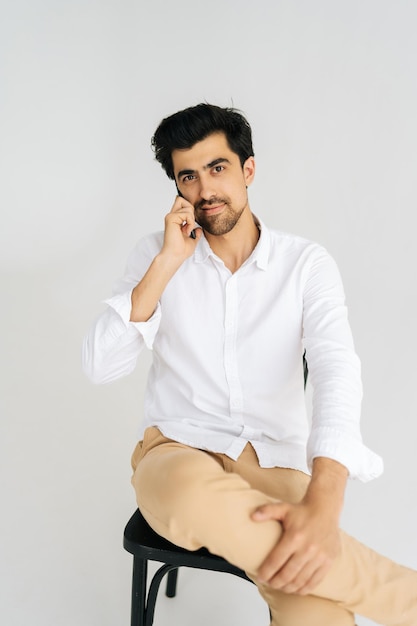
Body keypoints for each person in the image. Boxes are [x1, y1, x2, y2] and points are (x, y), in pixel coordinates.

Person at [83, 103, 417, 625]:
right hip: (178, 451)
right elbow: (100, 365)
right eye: (187, 176)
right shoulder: (155, 255)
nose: (205, 189)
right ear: (177, 188)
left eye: (217, 168)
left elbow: (336, 368)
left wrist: (323, 506)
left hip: (276, 462)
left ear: (248, 170)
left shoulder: (306, 264)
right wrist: (168, 263)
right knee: (190, 495)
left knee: (316, 611)